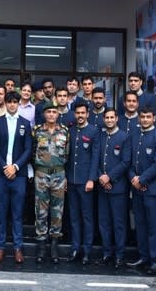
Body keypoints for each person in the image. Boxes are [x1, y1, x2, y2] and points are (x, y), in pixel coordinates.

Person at [0, 91, 32, 264]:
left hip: (19, 175)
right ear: (6, 103)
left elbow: (28, 150)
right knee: (1, 213)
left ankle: (17, 248)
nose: (13, 104)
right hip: (1, 174)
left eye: (16, 102)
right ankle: (0, 248)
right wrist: (4, 167)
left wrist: (15, 167)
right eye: (10, 102)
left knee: (17, 214)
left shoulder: (25, 123)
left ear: (18, 103)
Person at [127, 106, 156, 274]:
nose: (144, 119)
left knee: (154, 227)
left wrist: (142, 179)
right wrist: (133, 179)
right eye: (142, 116)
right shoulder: (134, 136)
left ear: (154, 119)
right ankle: (143, 257)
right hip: (137, 189)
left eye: (148, 117)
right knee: (141, 226)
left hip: (154, 190)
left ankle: (155, 260)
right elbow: (129, 162)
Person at [32, 102, 69, 264]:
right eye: (49, 112)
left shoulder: (65, 131)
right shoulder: (37, 131)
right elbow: (32, 151)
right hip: (41, 174)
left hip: (59, 175)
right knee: (40, 211)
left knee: (57, 211)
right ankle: (41, 245)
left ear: (58, 114)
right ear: (44, 114)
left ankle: (54, 245)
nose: (52, 114)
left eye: (54, 112)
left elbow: (67, 153)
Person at [96, 108, 131, 269]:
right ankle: (106, 253)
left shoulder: (124, 137)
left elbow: (125, 162)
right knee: (104, 222)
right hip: (102, 187)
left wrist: (109, 177)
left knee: (118, 223)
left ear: (117, 118)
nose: (109, 120)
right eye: (107, 117)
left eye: (112, 117)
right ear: (104, 119)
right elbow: (94, 159)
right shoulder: (100, 135)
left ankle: (119, 255)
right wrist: (101, 177)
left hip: (118, 187)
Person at [66, 101, 99, 265]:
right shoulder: (70, 130)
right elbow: (66, 156)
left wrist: (91, 179)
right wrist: (65, 177)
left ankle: (87, 250)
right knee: (74, 217)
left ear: (88, 114)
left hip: (86, 182)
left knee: (87, 217)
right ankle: (75, 248)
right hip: (71, 181)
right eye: (77, 113)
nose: (80, 116)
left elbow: (95, 157)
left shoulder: (93, 131)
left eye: (82, 113)